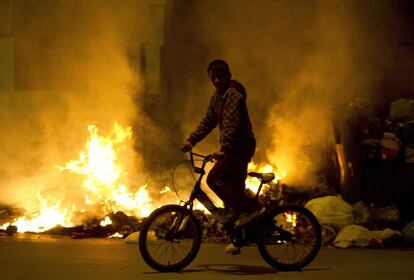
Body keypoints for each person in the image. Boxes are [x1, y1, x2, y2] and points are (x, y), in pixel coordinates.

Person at [182, 59, 264, 254]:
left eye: (220, 77)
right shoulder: (216, 97)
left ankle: (251, 208)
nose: (217, 81)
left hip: (240, 147)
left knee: (214, 179)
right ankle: (239, 238)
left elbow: (231, 124)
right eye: (213, 78)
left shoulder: (233, 95)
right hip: (231, 148)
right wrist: (191, 140)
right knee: (233, 190)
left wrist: (225, 149)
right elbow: (209, 121)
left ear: (229, 76)